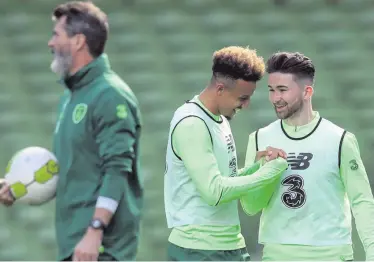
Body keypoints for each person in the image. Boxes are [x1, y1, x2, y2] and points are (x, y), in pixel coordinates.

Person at [0, 1, 143, 261]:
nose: (50, 43)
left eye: (56, 34)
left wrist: (95, 230)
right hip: (75, 245)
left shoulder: (110, 95)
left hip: (101, 250)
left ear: (78, 41)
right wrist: (19, 187)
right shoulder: (71, 98)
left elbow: (117, 169)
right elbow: (72, 172)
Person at [240, 51, 374, 260]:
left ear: (307, 92)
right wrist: (263, 171)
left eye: (283, 90)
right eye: (271, 90)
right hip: (278, 255)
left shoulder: (340, 140)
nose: (276, 98)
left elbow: (362, 200)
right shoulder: (259, 139)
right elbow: (250, 207)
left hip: (331, 255)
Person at [164, 46, 289, 261]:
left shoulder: (220, 119)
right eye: (242, 98)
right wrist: (268, 173)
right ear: (220, 89)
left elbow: (225, 181)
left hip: (228, 244)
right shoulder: (192, 123)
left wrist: (258, 166)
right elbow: (215, 192)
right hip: (198, 250)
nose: (246, 105)